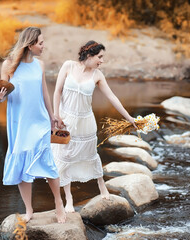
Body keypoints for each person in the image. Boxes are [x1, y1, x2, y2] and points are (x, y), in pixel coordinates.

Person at [0, 27, 66, 223]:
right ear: (30, 45)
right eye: (40, 43)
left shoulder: (39, 65)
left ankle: (59, 203)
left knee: (47, 161)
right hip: (19, 122)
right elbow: (1, 96)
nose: (43, 46)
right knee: (23, 165)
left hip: (39, 121)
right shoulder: (8, 65)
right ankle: (29, 210)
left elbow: (45, 93)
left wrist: (53, 116)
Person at [52, 40, 136, 212]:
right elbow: (57, 91)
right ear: (89, 55)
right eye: (100, 57)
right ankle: (69, 198)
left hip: (86, 123)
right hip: (65, 120)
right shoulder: (68, 66)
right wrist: (56, 115)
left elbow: (112, 97)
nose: (102, 61)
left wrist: (129, 118)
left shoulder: (97, 75)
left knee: (91, 154)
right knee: (65, 157)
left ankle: (101, 185)